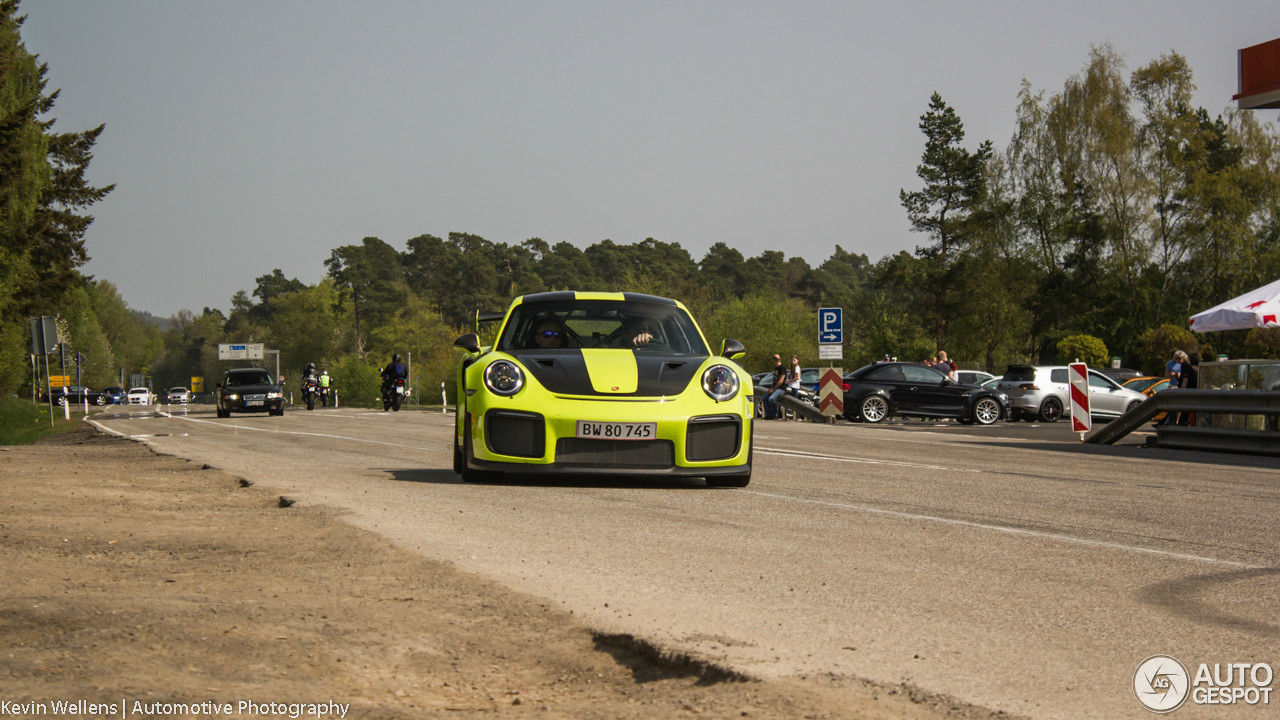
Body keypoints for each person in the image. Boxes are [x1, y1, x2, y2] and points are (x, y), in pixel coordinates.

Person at [1177, 353, 1199, 426]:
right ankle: (1184, 422)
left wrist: (1182, 390)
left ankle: (1182, 422)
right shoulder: (1198, 369)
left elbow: (1185, 380)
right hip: (1196, 391)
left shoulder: (1188, 368)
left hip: (1189, 390)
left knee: (1186, 409)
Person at [763, 354, 787, 420]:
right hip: (774, 388)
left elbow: (781, 381)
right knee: (765, 398)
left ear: (774, 360)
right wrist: (771, 388)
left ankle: (774, 414)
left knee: (771, 399)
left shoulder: (782, 367)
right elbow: (774, 379)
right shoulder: (775, 368)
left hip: (781, 388)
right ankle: (769, 415)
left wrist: (773, 389)